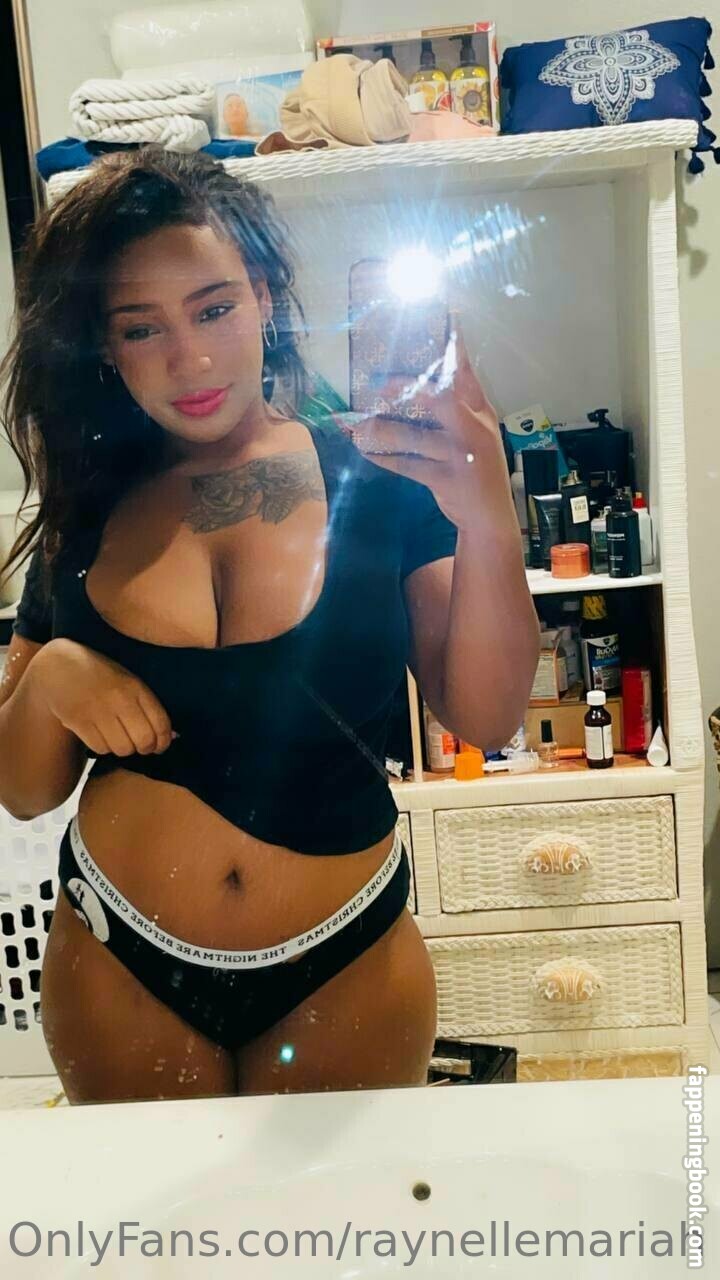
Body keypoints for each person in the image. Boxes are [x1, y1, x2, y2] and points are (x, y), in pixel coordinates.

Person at [0, 149, 538, 1103]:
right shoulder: (85, 507)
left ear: (262, 295)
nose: (191, 360)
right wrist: (47, 682)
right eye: (141, 328)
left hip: (345, 956)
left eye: (213, 309)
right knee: (154, 1207)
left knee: (340, 1205)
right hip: (119, 954)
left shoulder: (381, 480)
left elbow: (486, 717)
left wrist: (490, 517)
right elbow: (23, 789)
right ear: (106, 348)